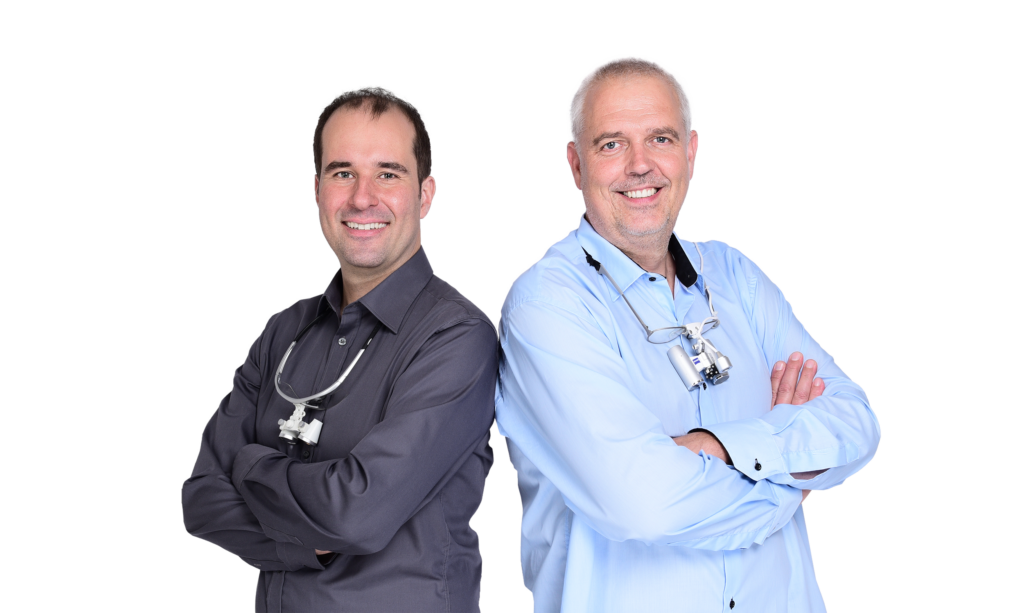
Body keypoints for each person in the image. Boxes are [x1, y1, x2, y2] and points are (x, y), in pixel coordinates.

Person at [495, 55, 881, 612]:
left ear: (691, 152)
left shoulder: (735, 274)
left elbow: (856, 420)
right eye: (611, 144)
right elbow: (641, 503)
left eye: (661, 138)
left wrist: (718, 447)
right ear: (575, 164)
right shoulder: (546, 304)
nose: (640, 165)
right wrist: (791, 480)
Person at [181, 84, 497, 612]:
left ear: (425, 195)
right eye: (342, 172)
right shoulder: (285, 329)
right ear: (317, 190)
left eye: (388, 174)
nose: (361, 198)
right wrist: (309, 539)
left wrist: (251, 465)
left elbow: (354, 516)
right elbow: (201, 499)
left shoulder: (457, 338)